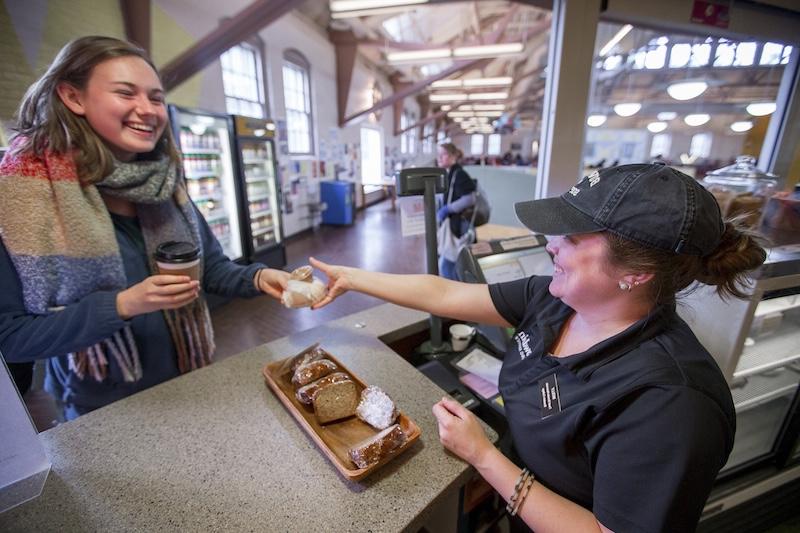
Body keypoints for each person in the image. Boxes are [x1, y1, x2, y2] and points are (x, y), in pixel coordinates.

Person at [308, 163, 767, 532]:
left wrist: (485, 457)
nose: (550, 245)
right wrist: (352, 278)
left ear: (637, 273)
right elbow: (445, 294)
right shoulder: (554, 301)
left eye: (570, 238)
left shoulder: (671, 404)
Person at [0, 36, 290, 420]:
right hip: (102, 407)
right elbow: (12, 338)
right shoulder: (25, 199)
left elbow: (211, 269)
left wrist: (260, 277)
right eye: (125, 93)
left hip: (191, 378)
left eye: (155, 98)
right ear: (73, 97)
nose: (147, 110)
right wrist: (122, 305)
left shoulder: (163, 183)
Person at [435, 142, 476, 280]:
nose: (439, 157)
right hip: (453, 225)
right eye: (438, 154)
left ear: (453, 156)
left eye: (444, 154)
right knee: (449, 264)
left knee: (448, 266)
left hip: (458, 228)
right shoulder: (448, 173)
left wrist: (448, 209)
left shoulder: (459, 174)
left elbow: (470, 199)